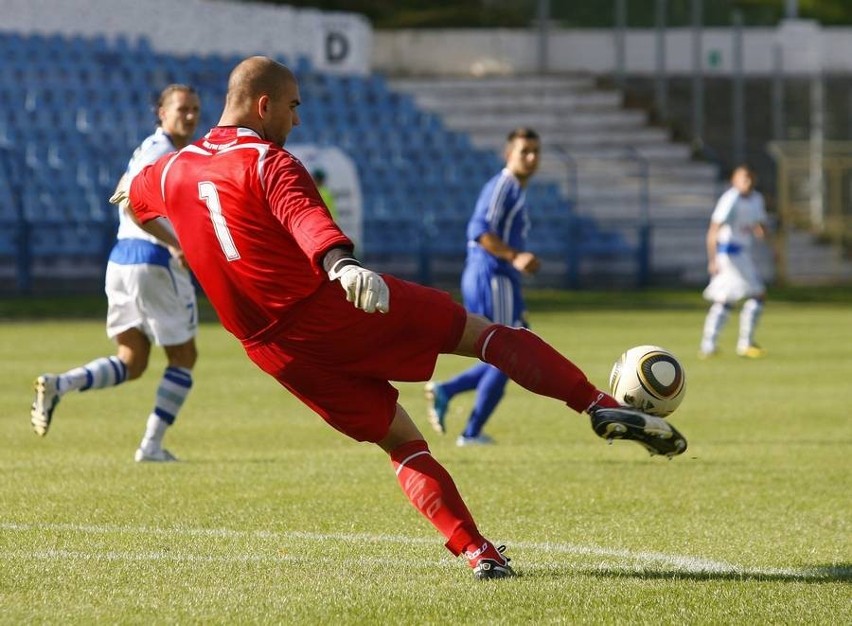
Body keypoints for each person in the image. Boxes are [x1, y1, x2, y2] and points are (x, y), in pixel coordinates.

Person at [113, 56, 687, 580]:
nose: (295, 120)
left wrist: (145, 204)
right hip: (329, 308)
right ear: (263, 105)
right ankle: (597, 403)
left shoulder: (169, 170)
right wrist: (343, 266)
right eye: (292, 107)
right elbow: (305, 217)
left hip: (271, 351)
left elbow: (135, 197)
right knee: (484, 335)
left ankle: (477, 551)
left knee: (401, 442)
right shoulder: (269, 160)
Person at [30, 84, 202, 462]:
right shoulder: (162, 154)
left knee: (132, 360)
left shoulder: (149, 149)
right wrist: (176, 244)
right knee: (184, 355)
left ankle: (61, 385)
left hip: (122, 259)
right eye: (181, 109)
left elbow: (122, 192)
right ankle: (151, 446)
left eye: (194, 109)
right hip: (154, 261)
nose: (190, 116)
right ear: (161, 112)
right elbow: (135, 207)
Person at [425, 127, 542, 446]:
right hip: (491, 275)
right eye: (524, 151)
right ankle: (471, 431)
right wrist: (515, 256)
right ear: (508, 155)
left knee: (511, 349)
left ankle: (450, 396)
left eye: (535, 151)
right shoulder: (504, 185)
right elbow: (479, 230)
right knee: (509, 353)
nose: (531, 158)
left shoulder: (513, 189)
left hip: (497, 277)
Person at [699, 164, 769, 359]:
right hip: (729, 253)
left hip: (742, 253)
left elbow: (759, 224)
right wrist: (712, 259)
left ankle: (708, 345)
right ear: (734, 181)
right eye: (743, 178)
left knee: (725, 300)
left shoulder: (756, 198)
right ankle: (745, 343)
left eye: (749, 178)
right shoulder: (731, 199)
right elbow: (714, 229)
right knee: (758, 294)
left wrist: (766, 237)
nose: (747, 182)